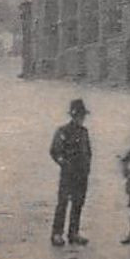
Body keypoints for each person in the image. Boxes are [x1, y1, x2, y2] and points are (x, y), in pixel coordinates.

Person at [49, 98, 92, 247]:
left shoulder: (85, 132)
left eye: (83, 116)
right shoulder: (63, 131)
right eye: (79, 116)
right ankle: (57, 233)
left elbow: (88, 152)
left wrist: (87, 169)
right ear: (73, 116)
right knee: (63, 203)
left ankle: (73, 233)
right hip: (68, 174)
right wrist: (64, 164)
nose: (81, 119)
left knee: (78, 203)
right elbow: (55, 151)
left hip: (82, 174)